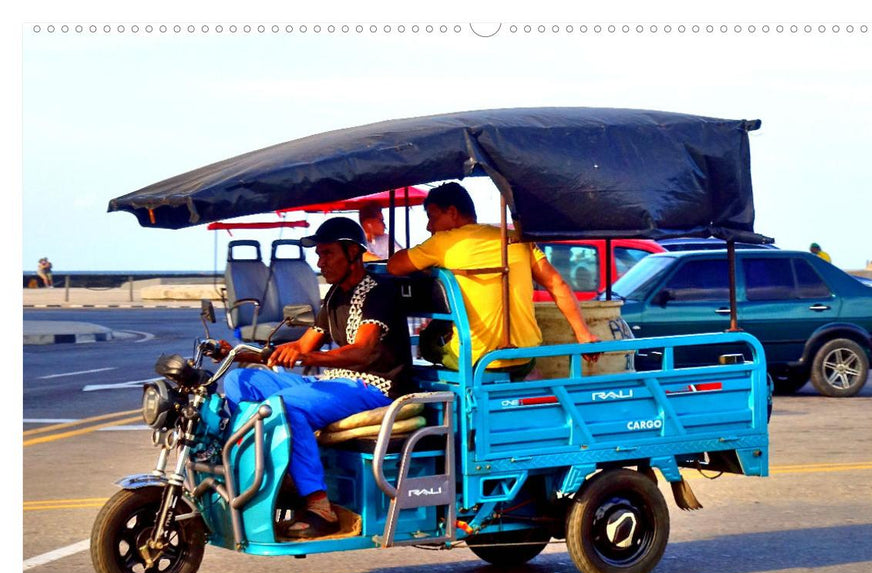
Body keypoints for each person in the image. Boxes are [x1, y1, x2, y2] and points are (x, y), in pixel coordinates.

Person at [219, 217, 413, 538]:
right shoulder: (335, 294)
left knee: (286, 407)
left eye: (327, 254)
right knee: (240, 382)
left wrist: (309, 358)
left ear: (353, 253)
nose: (319, 262)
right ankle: (271, 473)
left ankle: (318, 503)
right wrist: (243, 354)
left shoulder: (379, 293)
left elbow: (363, 351)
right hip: (334, 382)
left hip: (372, 386)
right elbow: (303, 345)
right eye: (319, 255)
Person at [386, 181, 598, 374]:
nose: (429, 227)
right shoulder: (516, 239)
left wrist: (428, 266)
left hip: (477, 360)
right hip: (526, 356)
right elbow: (557, 284)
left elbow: (394, 267)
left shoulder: (444, 243)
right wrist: (583, 335)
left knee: (428, 341)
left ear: (452, 212)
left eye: (432, 217)